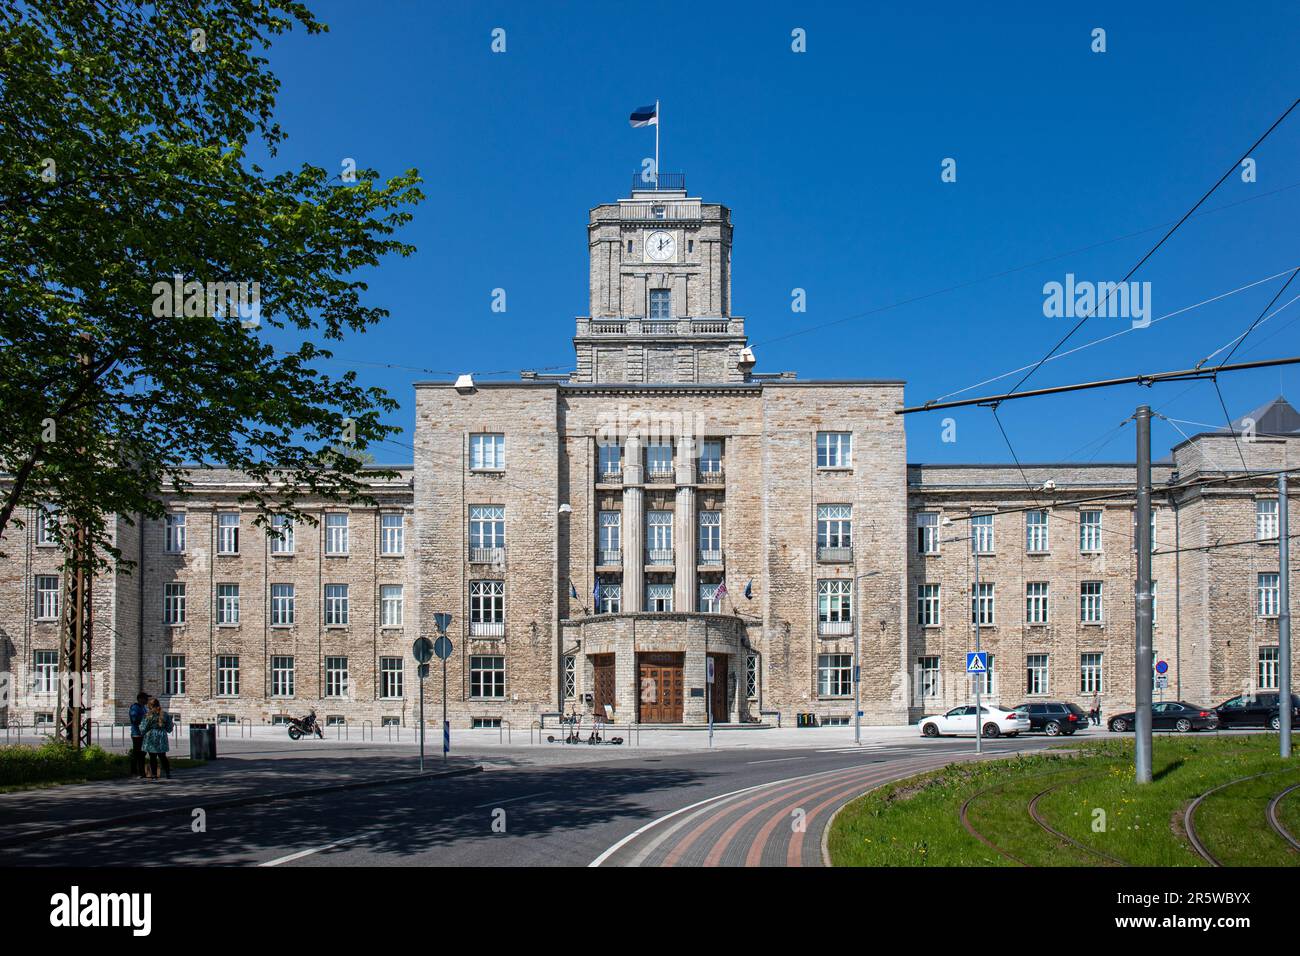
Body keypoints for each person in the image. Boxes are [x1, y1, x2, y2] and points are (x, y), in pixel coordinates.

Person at [141, 697, 171, 780]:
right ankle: (168, 773)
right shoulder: (165, 714)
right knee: (162, 756)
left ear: (149, 706)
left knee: (152, 756)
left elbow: (143, 727)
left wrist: (143, 732)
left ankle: (154, 774)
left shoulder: (148, 715)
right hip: (161, 735)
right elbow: (169, 727)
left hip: (151, 736)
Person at [128, 691, 149, 779]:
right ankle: (134, 772)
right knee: (137, 753)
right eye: (145, 698)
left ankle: (142, 772)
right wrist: (145, 718)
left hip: (143, 733)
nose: (147, 700)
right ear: (140, 699)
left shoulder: (144, 707)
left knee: (142, 753)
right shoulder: (135, 707)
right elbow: (134, 719)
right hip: (137, 733)